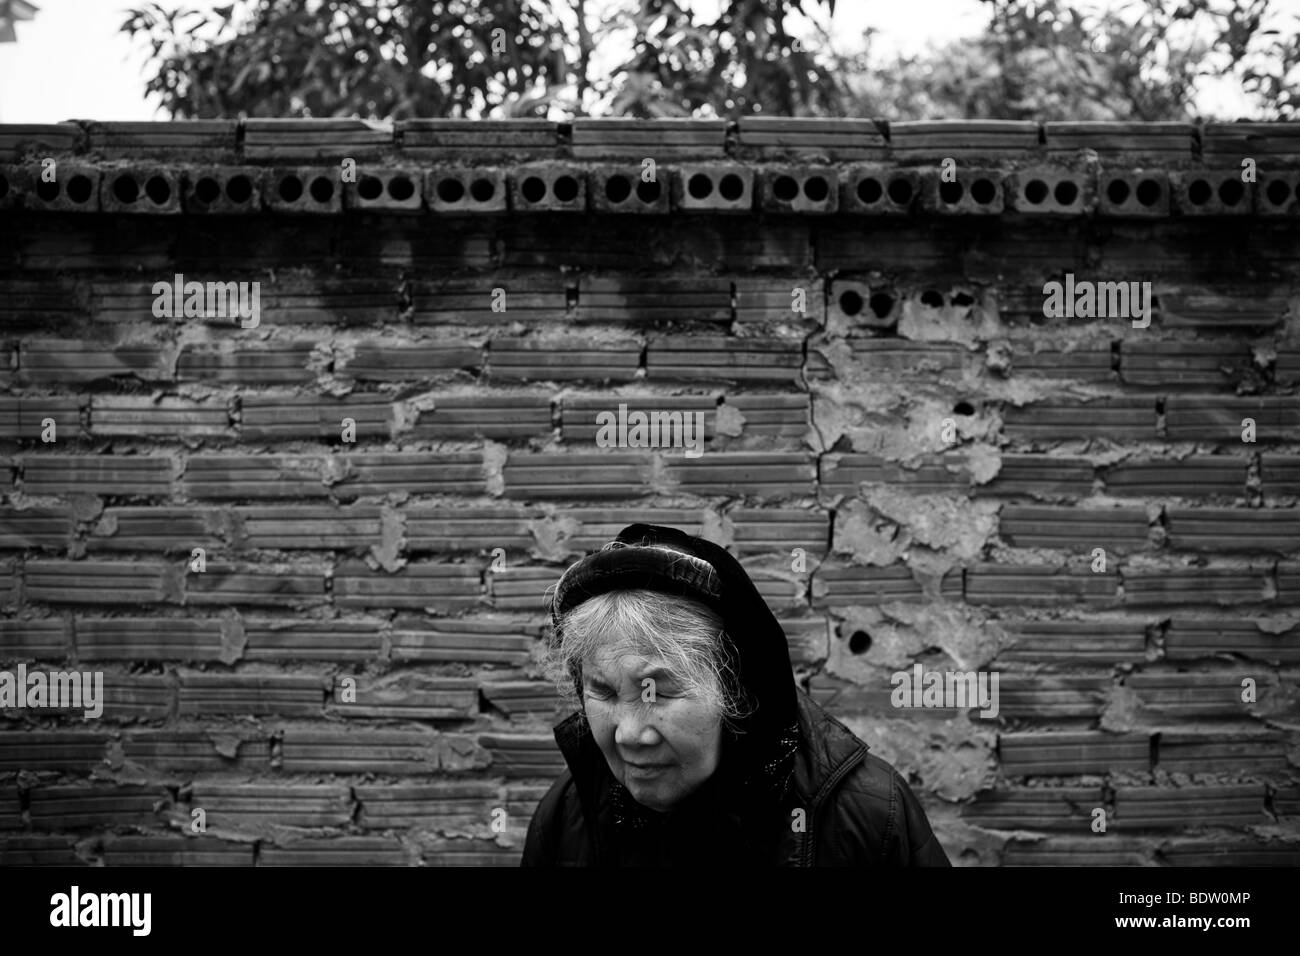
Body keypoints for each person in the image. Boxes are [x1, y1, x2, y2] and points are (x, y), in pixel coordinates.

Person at [521, 522, 951, 867]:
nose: (631, 735)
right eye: (605, 692)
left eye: (659, 693)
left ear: (737, 695)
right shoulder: (567, 815)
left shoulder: (868, 817)